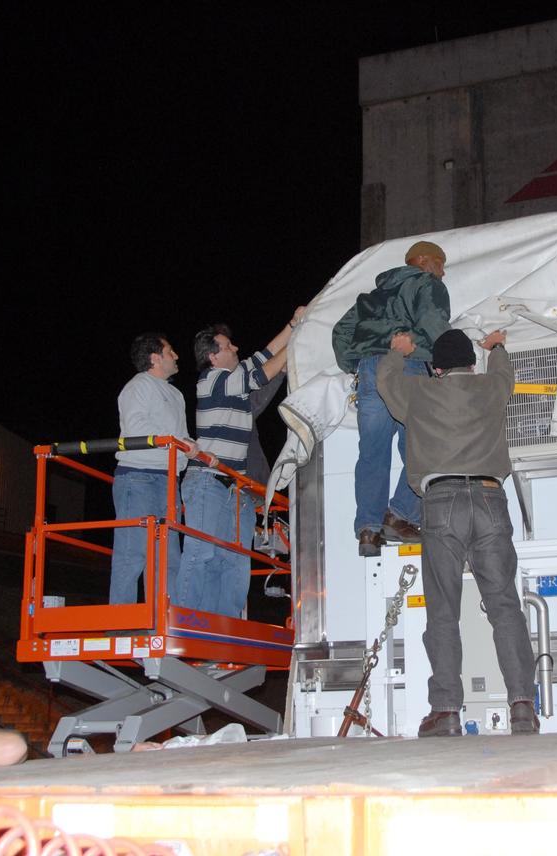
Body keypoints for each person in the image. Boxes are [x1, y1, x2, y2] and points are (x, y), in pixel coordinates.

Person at [377, 328, 539, 737]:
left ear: (436, 368)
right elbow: (505, 374)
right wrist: (497, 346)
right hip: (489, 498)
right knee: (505, 606)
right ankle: (523, 706)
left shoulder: (420, 392)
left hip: (441, 501)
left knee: (444, 611)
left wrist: (397, 352)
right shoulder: (490, 388)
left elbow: (385, 382)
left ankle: (446, 710)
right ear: (471, 363)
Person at [178, 307, 304, 617]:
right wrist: (303, 335)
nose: (235, 347)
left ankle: (224, 628)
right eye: (228, 346)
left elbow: (265, 355)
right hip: (207, 482)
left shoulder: (233, 378)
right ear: (213, 357)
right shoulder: (214, 381)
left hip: (235, 488)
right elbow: (265, 370)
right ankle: (183, 620)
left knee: (234, 560)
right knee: (201, 552)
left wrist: (293, 323)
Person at [332, 241, 452, 556]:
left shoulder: (372, 297)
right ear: (425, 262)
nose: (443, 271)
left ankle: (369, 530)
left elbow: (341, 332)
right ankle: (400, 515)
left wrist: (354, 363)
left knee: (372, 453)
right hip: (409, 369)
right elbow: (435, 325)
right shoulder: (427, 284)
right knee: (428, 447)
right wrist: (450, 363)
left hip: (371, 371)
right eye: (441, 264)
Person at [111, 333, 197, 605]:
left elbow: (181, 434)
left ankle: (163, 626)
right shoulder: (139, 386)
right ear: (155, 357)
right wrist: (176, 443)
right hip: (138, 478)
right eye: (170, 351)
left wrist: (189, 448)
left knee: (168, 558)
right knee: (132, 553)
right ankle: (120, 626)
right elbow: (135, 429)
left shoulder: (175, 394)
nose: (176, 356)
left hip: (169, 480)